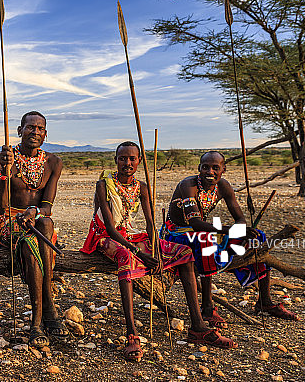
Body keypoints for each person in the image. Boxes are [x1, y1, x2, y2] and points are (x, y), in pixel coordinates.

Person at [81, 142, 234, 361]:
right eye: (122, 158)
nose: (127, 163)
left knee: (183, 253)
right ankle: (131, 334)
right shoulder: (104, 184)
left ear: (139, 161)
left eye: (132, 159)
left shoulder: (142, 186)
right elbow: (110, 227)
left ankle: (198, 326)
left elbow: (151, 224)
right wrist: (140, 253)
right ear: (116, 160)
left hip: (133, 234)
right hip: (105, 236)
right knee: (126, 257)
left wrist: (158, 252)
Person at [162, 151, 299, 329]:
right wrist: (230, 231)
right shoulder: (188, 186)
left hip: (206, 229)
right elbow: (195, 224)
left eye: (215, 168)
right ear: (199, 169)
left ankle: (265, 301)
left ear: (223, 169)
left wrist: (241, 230)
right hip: (176, 233)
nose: (209, 172)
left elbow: (240, 219)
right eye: (205, 167)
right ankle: (207, 307)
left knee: (257, 237)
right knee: (206, 240)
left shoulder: (223, 186)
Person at [0, 111, 65, 348]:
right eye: (30, 127)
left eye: (40, 128)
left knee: (43, 225)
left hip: (38, 221)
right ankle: (44, 315)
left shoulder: (54, 162)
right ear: (19, 130)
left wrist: (34, 211)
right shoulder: (2, 158)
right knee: (29, 242)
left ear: (45, 134)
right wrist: (6, 172)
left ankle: (39, 319)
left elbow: (47, 206)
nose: (35, 132)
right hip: (11, 221)